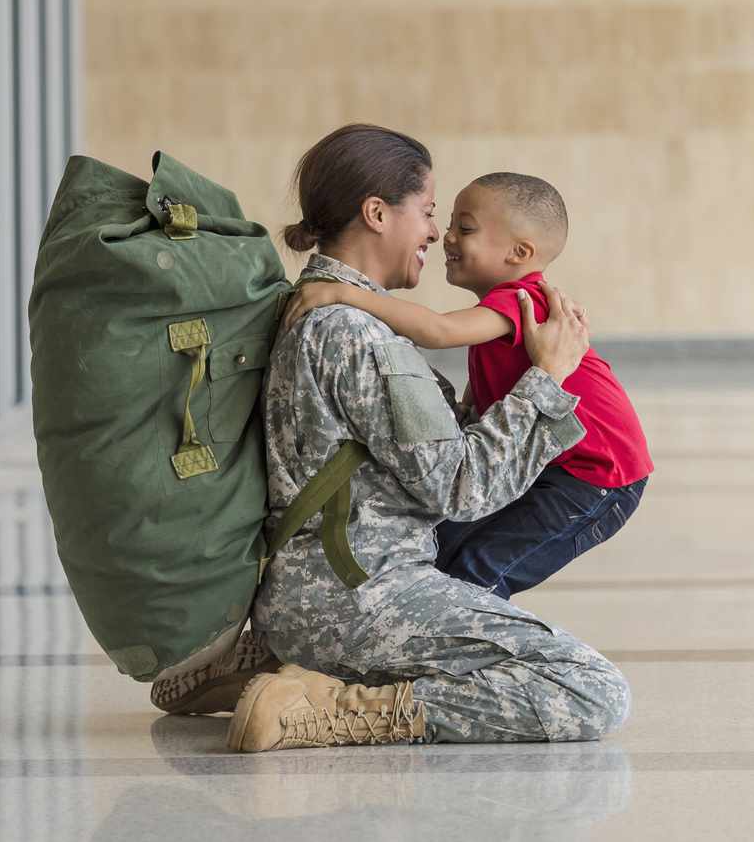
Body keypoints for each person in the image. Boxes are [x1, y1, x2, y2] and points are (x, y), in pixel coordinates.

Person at [224, 123, 631, 752]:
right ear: (377, 213)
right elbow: (464, 489)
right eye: (431, 212)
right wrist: (549, 377)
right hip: (357, 597)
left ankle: (272, 666)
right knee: (588, 687)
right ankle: (336, 705)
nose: (437, 234)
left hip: (320, 590)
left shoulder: (323, 309)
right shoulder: (354, 331)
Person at [280, 170, 653, 599]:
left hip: (597, 477)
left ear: (519, 252)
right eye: (450, 222)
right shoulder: (499, 313)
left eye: (466, 228)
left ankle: (464, 639)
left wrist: (346, 295)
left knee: (482, 570)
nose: (448, 237)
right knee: (445, 551)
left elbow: (437, 330)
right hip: (555, 467)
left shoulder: (521, 301)